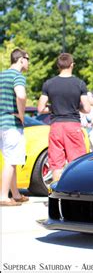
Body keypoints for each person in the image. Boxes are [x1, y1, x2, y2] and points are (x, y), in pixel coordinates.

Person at [37, 53, 91, 182]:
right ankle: (76, 194)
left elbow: (40, 108)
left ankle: (58, 196)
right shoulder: (79, 84)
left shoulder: (49, 84)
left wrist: (53, 107)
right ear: (72, 65)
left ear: (58, 66)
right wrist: (76, 107)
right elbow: (87, 108)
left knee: (56, 165)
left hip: (56, 127)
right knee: (77, 163)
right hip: (73, 126)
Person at [0, 48, 30, 206]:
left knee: (10, 159)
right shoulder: (17, 76)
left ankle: (16, 194)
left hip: (1, 123)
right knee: (11, 161)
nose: (28, 63)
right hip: (11, 123)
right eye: (28, 59)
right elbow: (21, 95)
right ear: (21, 60)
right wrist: (21, 115)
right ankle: (3, 196)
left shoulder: (1, 75)